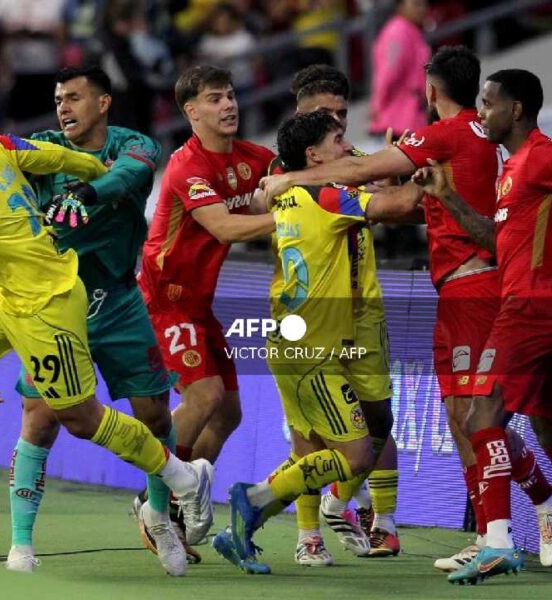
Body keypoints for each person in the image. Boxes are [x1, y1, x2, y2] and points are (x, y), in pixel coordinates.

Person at [0, 88, 215, 568]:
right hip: (7, 291)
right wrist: (94, 171)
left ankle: (183, 477)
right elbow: (46, 156)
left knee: (81, 419)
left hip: (46, 302)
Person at [260, 46, 552, 572]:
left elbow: (370, 172)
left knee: (474, 416)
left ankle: (498, 532)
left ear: (431, 89)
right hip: (455, 291)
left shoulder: (446, 133)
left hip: (470, 292)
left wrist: (291, 178)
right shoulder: (478, 146)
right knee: (476, 416)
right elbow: (421, 209)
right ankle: (524, 515)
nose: (342, 133)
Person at [212, 111, 423, 574]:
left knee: (349, 441)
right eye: (339, 138)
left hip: (306, 342)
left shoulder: (289, 195)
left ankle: (242, 526)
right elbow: (405, 208)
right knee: (352, 454)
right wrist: (434, 176)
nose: (348, 146)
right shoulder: (324, 196)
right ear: (313, 155)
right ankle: (260, 500)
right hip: (310, 351)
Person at [8, 65, 184, 574]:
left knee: (155, 415)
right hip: (56, 306)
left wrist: (86, 193)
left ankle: (158, 515)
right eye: (59, 98)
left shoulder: (138, 145)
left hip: (120, 301)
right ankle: (21, 543)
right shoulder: (40, 147)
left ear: (104, 103)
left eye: (74, 98)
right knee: (40, 419)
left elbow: (131, 173)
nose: (63, 107)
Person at [412, 69, 552, 583]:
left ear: (515, 110)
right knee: (545, 429)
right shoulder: (513, 170)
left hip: (528, 307)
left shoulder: (540, 155)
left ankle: (496, 541)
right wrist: (446, 196)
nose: (481, 113)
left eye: (488, 104)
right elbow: (493, 241)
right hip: (526, 302)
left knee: (480, 410)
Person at [138, 65, 275, 499]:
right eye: (216, 98)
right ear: (191, 111)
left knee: (228, 414)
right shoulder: (186, 167)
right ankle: (153, 502)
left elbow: (296, 174)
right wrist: (294, 214)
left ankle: (182, 504)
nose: (229, 105)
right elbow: (226, 228)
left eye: (231, 95)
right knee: (204, 396)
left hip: (199, 304)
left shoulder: (252, 159)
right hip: (163, 300)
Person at [369, 0, 430, 137]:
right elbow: (389, 72)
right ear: (400, 7)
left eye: (424, 4)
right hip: (396, 120)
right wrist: (377, 104)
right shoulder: (397, 31)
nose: (422, 9)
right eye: (416, 4)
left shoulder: (411, 30)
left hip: (411, 117)